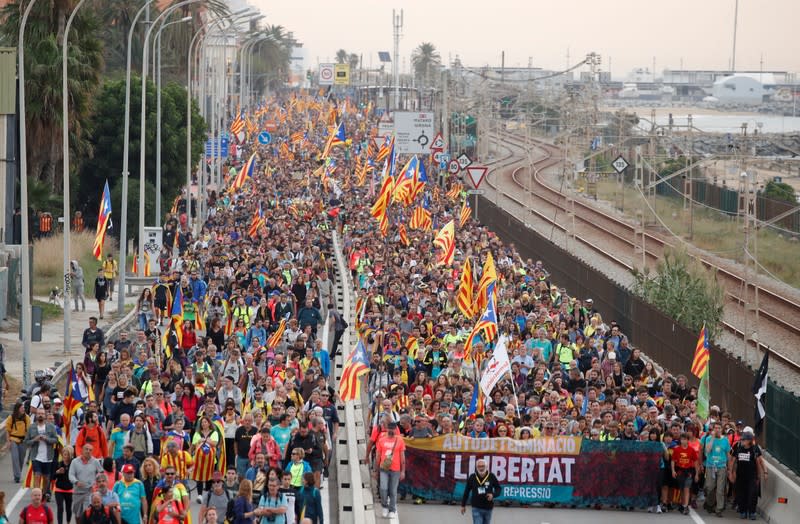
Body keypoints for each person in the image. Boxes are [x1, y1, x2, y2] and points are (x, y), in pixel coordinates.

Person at [24, 407, 59, 502]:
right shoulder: (32, 427)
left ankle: (43, 494)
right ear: (36, 415)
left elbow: (55, 440)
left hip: (48, 457)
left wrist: (46, 438)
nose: (40, 415)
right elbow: (26, 442)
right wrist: (35, 439)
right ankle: (36, 496)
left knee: (46, 478)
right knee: (37, 475)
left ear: (45, 415)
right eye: (39, 413)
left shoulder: (51, 427)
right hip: (36, 457)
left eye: (42, 414)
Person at [729, 428, 765, 520]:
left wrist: (759, 475)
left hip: (752, 476)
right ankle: (743, 511)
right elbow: (732, 461)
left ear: (749, 441)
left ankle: (752, 512)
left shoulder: (754, 449)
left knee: (752, 494)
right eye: (742, 439)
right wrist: (731, 473)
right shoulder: (738, 448)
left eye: (744, 439)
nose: (742, 441)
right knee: (741, 494)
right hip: (740, 476)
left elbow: (758, 462)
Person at [374, 421, 405, 519]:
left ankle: (392, 509)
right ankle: (384, 506)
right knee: (383, 488)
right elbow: (378, 456)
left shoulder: (400, 440)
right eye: (389, 428)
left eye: (393, 428)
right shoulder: (382, 440)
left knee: (393, 490)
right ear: (387, 429)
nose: (391, 430)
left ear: (396, 429)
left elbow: (402, 457)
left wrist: (403, 471)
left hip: (395, 469)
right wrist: (376, 470)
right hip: (384, 468)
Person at [700, 421, 730, 517]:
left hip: (721, 466)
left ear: (721, 429)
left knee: (720, 489)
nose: (717, 430)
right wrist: (712, 438)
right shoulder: (709, 438)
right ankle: (709, 503)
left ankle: (719, 509)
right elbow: (707, 450)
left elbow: (728, 455)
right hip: (710, 466)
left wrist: (729, 468)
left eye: (719, 428)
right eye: (715, 428)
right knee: (709, 487)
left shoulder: (725, 440)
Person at [460, 459, 502, 524]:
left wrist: (493, 495)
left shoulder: (491, 476)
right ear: (476, 468)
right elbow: (466, 492)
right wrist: (463, 505)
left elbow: (498, 489)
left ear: (486, 466)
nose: (481, 468)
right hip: (476, 507)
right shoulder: (472, 477)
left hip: (488, 508)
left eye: (482, 466)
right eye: (479, 466)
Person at [69, 444, 104, 518]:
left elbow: (101, 474)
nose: (88, 451)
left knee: (87, 513)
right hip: (77, 492)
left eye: (90, 450)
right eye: (86, 449)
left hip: (89, 492)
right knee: (78, 515)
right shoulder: (75, 461)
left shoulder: (95, 462)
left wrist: (96, 485)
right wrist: (76, 482)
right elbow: (71, 475)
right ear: (82, 450)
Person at [671, 432, 700, 516]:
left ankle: (686, 506)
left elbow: (695, 462)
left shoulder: (691, 450)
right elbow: (673, 461)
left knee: (687, 488)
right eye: (682, 439)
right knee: (681, 489)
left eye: (685, 439)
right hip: (680, 471)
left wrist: (697, 474)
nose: (683, 441)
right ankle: (683, 503)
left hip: (689, 472)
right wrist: (673, 471)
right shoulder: (677, 449)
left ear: (688, 440)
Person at [5, 401, 30, 483]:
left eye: (23, 407)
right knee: (15, 458)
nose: (23, 409)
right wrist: (8, 442)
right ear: (17, 409)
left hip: (23, 441)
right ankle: (17, 476)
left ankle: (17, 474)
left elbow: (29, 430)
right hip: (13, 440)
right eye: (21, 407)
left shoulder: (26, 418)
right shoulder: (11, 418)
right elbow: (7, 430)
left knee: (21, 459)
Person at [53, 446, 74, 524]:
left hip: (69, 489)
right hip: (59, 489)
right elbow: (52, 477)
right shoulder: (59, 464)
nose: (66, 456)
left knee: (68, 508)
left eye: (68, 455)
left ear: (71, 455)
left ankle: (68, 522)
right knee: (60, 508)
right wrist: (57, 472)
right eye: (65, 454)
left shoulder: (73, 464)